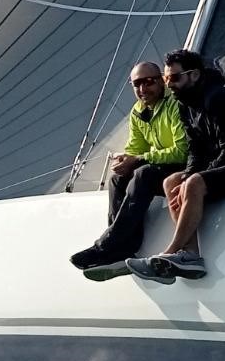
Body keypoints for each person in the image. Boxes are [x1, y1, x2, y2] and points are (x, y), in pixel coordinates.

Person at [122, 48, 225, 282]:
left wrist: (194, 179)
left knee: (194, 182)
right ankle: (190, 255)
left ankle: (171, 251)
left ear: (194, 75)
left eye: (174, 78)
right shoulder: (185, 104)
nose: (169, 84)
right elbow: (195, 149)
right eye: (166, 78)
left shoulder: (218, 99)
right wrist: (186, 175)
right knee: (172, 181)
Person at [70, 60, 189, 279]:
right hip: (163, 165)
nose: (143, 88)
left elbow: (181, 152)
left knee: (144, 174)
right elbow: (136, 148)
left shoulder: (175, 104)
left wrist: (139, 159)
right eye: (137, 84)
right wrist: (126, 159)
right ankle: (123, 250)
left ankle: (107, 244)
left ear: (162, 81)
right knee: (118, 178)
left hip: (188, 166)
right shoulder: (138, 111)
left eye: (149, 82)